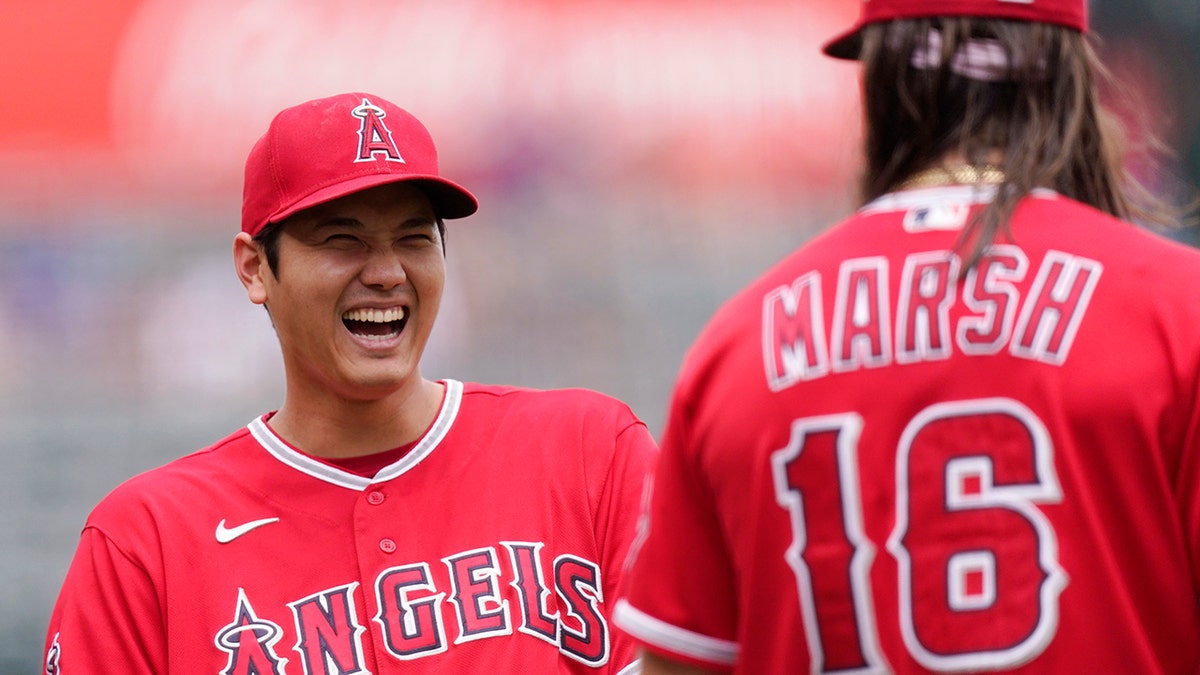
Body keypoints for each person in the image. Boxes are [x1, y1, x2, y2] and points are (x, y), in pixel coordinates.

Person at [613, 0, 1200, 672]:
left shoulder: (739, 346)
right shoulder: (1177, 311)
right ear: (1071, 79)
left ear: (885, 82)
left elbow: (677, 662)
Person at [44, 92, 657, 674]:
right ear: (255, 268)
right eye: (344, 241)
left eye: (414, 239)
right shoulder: (145, 539)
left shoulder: (590, 454)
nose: (388, 273)